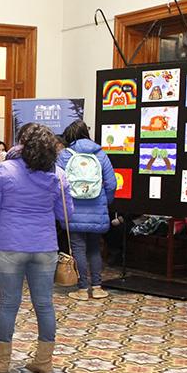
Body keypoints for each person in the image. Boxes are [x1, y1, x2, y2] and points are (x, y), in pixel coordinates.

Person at [0, 123, 73, 373]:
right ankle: (44, 362)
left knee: (8, 305)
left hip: (10, 246)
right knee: (44, 305)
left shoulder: (4, 170)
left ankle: (2, 363)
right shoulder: (57, 174)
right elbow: (67, 214)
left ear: (22, 143)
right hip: (45, 247)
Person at [56, 120, 116, 300]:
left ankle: (82, 289)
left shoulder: (65, 155)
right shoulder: (100, 154)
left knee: (78, 248)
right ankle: (97, 287)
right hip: (97, 207)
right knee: (94, 249)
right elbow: (112, 183)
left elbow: (57, 182)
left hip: (73, 209)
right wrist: (105, 202)